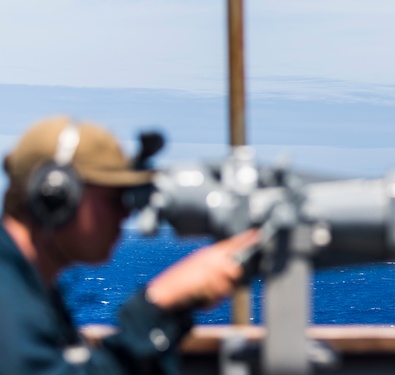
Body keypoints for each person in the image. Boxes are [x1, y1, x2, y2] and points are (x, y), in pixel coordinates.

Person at [0, 116, 259, 374]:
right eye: (115, 200)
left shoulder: (28, 289)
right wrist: (158, 303)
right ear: (56, 195)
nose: (125, 215)